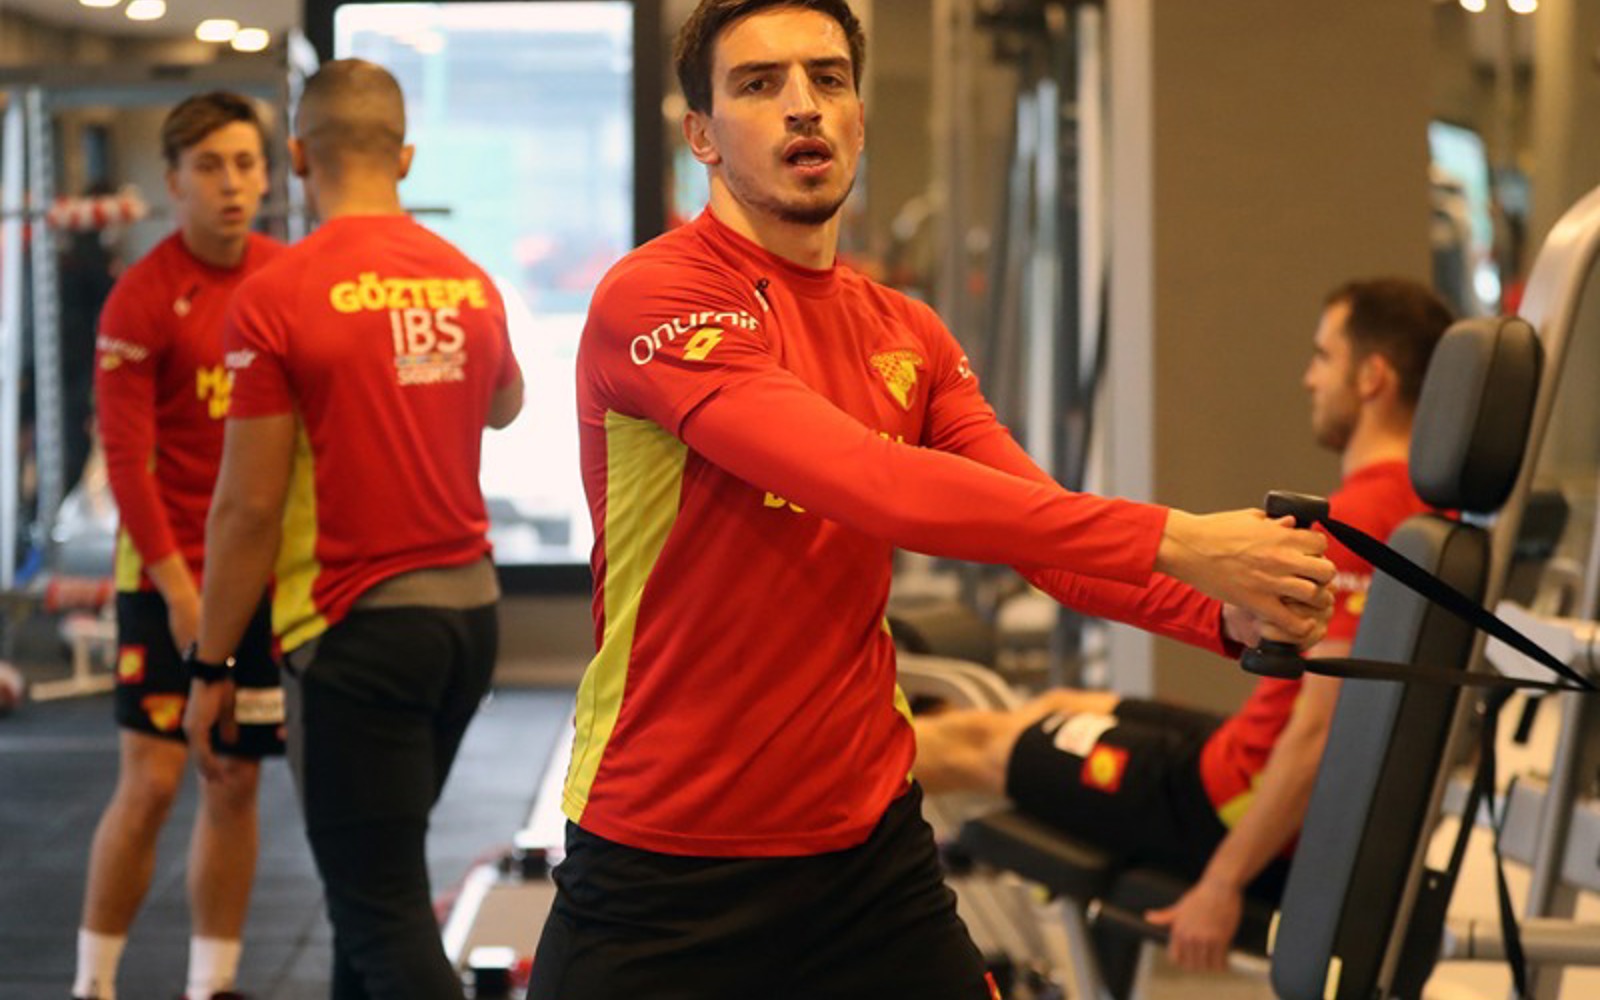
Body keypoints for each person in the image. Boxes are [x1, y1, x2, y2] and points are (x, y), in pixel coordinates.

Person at [528, 2, 1336, 997]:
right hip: (667, 853)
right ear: (701, 134)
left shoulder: (904, 332)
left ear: (860, 115)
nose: (802, 106)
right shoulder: (657, 297)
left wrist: (1223, 610)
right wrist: (1180, 539)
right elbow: (869, 482)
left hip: (867, 847)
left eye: (828, 79)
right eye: (759, 84)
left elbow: (1039, 533)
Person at [913, 277, 1453, 972]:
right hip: (1240, 756)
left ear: (1373, 376)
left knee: (970, 743)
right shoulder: (1425, 508)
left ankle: (820, 813)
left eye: (1323, 356)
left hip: (1225, 801)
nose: (1309, 377)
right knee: (1058, 706)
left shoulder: (1363, 520)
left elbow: (1321, 734)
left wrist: (1223, 883)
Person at [179, 59, 522, 1000]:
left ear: (297, 158)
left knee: (381, 913)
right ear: (404, 158)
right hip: (469, 624)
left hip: (356, 634)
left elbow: (246, 508)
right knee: (368, 892)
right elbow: (504, 407)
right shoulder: (468, 280)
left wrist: (211, 665)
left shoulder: (277, 294)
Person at [75, 92, 284, 1000]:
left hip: (259, 575)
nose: (230, 183)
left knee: (233, 779)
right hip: (164, 572)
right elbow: (125, 464)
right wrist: (181, 593)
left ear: (268, 176)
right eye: (208, 167)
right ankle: (93, 983)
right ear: (173, 183)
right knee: (154, 782)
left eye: (244, 163)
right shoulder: (141, 296)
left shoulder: (284, 279)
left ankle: (213, 984)